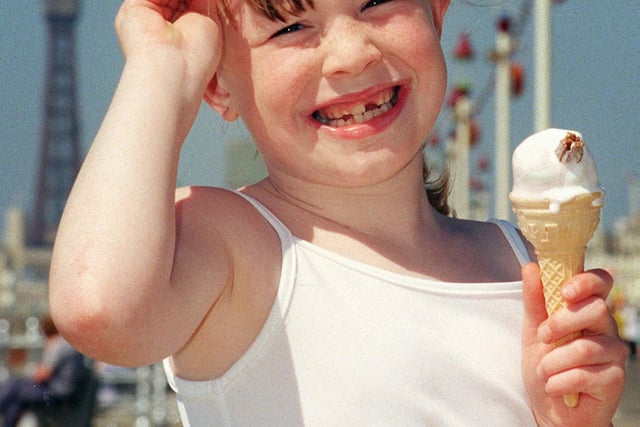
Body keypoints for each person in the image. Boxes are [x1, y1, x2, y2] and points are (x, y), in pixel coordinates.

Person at [48, 0, 628, 425]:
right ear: (218, 84)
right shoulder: (242, 248)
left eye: (377, 3)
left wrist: (572, 416)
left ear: (437, 14)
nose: (351, 54)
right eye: (291, 25)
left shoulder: (517, 258)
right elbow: (100, 309)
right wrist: (162, 65)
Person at [0, 315, 81, 427]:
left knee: (16, 386)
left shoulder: (59, 345)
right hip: (61, 391)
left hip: (56, 393)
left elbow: (42, 375)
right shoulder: (68, 344)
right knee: (16, 396)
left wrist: (31, 370)